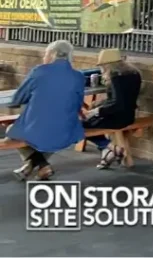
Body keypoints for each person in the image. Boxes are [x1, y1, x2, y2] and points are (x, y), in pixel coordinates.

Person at [6, 40, 85, 181]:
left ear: (53, 54)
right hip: (67, 130)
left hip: (38, 130)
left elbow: (18, 98)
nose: (44, 58)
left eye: (46, 54)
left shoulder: (39, 72)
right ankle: (36, 166)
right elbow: (78, 104)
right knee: (50, 136)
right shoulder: (78, 76)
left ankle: (40, 164)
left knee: (11, 131)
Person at [82, 49, 142, 169]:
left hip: (116, 119)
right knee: (86, 119)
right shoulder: (134, 73)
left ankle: (109, 147)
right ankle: (107, 152)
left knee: (78, 125)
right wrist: (100, 104)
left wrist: (96, 111)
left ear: (107, 64)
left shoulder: (116, 76)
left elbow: (117, 103)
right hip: (129, 115)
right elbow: (121, 99)